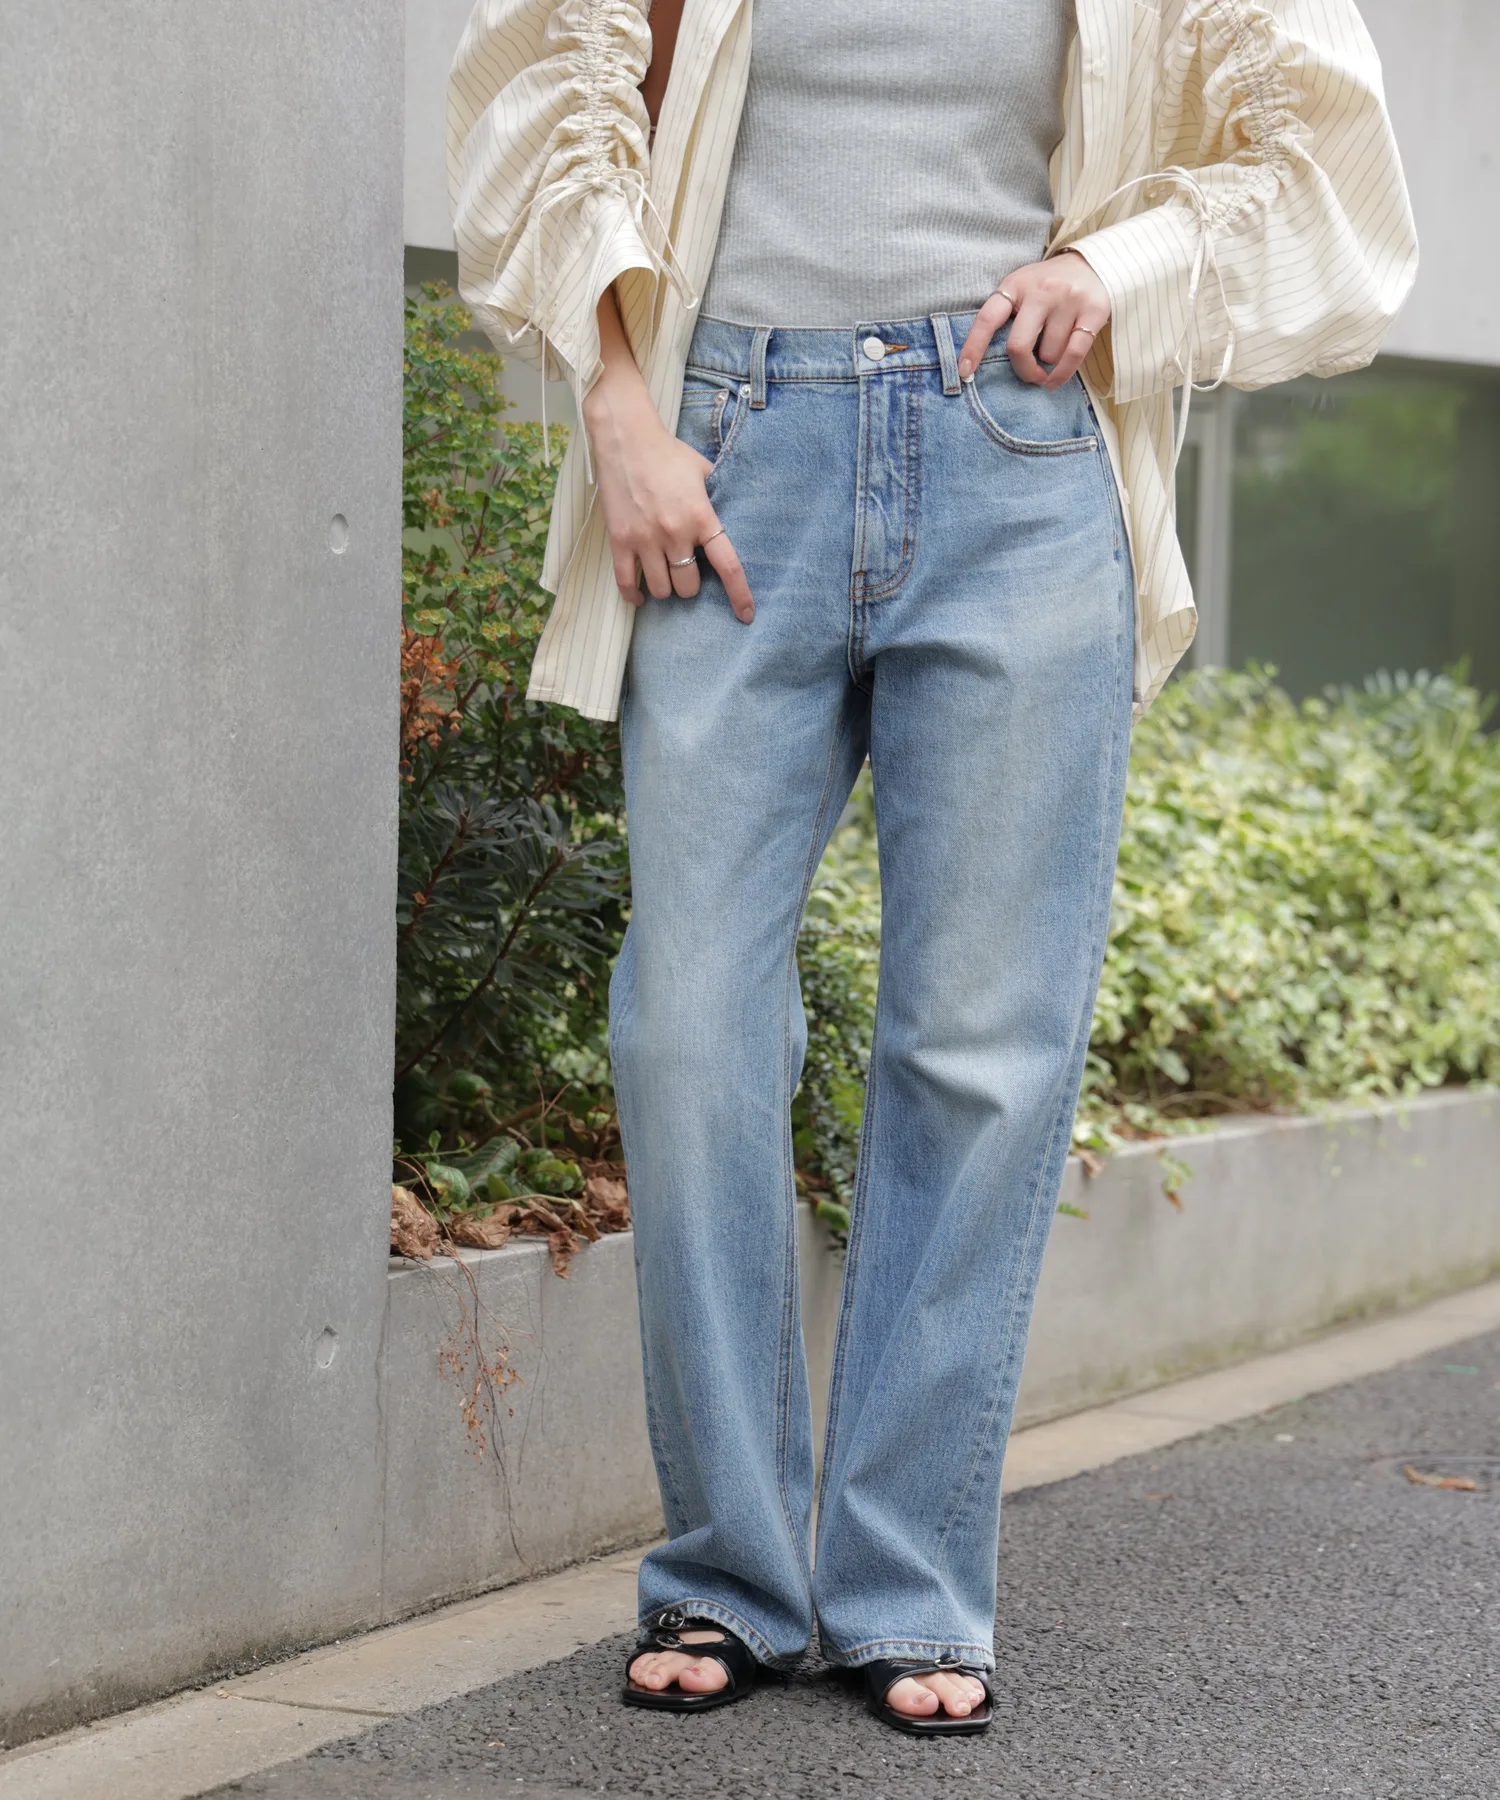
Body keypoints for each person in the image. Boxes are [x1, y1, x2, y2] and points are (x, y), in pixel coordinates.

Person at [449, 0, 1415, 1735]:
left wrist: (1120, 264)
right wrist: (619, 408)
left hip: (1015, 455)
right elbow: (550, 92)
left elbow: (1324, 154)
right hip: (730, 445)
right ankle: (730, 1569)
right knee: (688, 1028)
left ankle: (906, 1581)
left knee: (979, 1045)